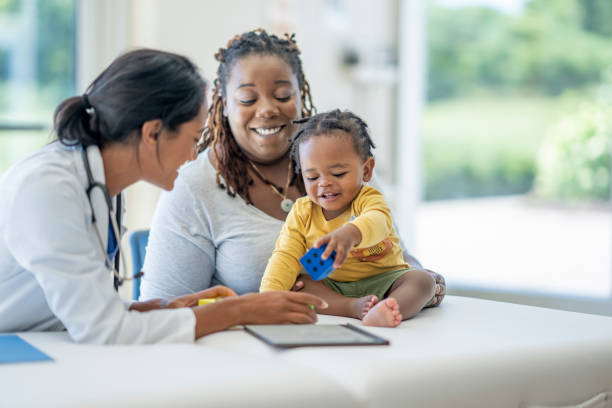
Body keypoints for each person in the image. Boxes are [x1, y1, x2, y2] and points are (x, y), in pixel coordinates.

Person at [0, 48, 325, 345]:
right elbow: (103, 330)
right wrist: (240, 310)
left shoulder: (101, 186)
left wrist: (160, 308)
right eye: (194, 138)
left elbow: (86, 308)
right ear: (153, 132)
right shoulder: (46, 188)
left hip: (37, 344)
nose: (194, 153)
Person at [141, 29, 445, 306]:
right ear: (222, 102)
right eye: (247, 98)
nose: (268, 109)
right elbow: (166, 311)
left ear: (302, 95)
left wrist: (423, 283)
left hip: (356, 340)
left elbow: (392, 252)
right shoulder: (194, 187)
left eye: (283, 95)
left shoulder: (342, 160)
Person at [260, 110, 435, 327]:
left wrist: (351, 233)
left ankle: (389, 307)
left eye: (338, 174)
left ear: (367, 170)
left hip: (386, 280)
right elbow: (285, 256)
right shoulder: (302, 212)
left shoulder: (368, 198)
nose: (324, 183)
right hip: (335, 289)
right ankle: (352, 308)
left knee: (422, 281)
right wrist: (267, 299)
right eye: (312, 177)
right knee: (298, 284)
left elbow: (378, 221)